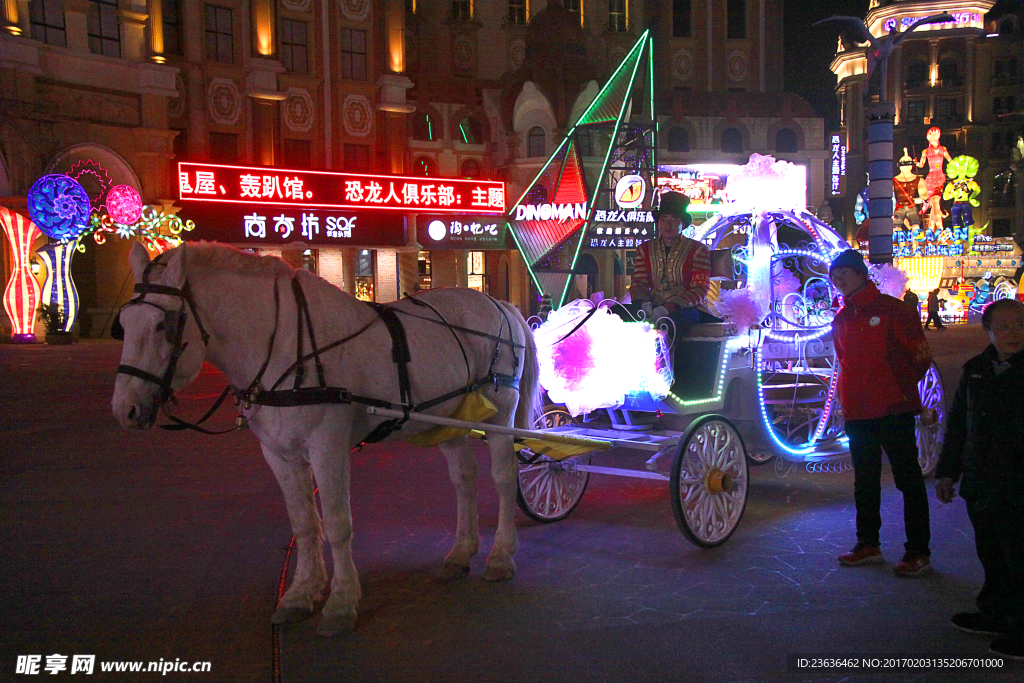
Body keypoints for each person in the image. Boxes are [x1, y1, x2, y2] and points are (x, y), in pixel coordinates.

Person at [829, 249, 934, 576]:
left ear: (861, 274)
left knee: (908, 480)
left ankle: (918, 551)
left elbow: (920, 356)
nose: (839, 281)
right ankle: (868, 543)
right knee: (865, 481)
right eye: (835, 277)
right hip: (858, 413)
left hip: (893, 409)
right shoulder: (842, 318)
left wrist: (897, 389)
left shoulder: (894, 311)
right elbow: (843, 361)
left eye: (844, 273)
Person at [935, 299, 1024, 659]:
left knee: (1019, 555)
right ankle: (996, 613)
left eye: (1019, 325)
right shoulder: (977, 370)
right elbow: (957, 427)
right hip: (981, 482)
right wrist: (947, 472)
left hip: (1018, 484)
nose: (1013, 333)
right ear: (987, 330)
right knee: (991, 552)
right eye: (1002, 327)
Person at [627, 191, 712, 326]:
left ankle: (670, 348)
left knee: (671, 322)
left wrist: (669, 308)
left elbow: (699, 289)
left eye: (673, 220)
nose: (668, 225)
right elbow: (639, 283)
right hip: (652, 305)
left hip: (687, 308)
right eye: (664, 220)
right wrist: (644, 303)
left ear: (682, 224)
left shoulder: (698, 250)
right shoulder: (645, 249)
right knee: (616, 314)